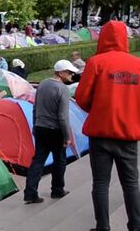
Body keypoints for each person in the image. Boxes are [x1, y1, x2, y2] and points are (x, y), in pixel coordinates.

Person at [76, 21, 140, 231]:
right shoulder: (137, 64)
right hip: (128, 134)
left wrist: (99, 109)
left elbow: (82, 97)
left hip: (100, 133)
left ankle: (103, 226)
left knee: (101, 184)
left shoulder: (96, 62)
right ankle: (135, 225)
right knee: (131, 183)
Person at [24, 59, 79, 204]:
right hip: (56, 130)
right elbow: (63, 116)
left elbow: (35, 107)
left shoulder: (42, 84)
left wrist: (35, 125)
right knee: (60, 160)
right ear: (60, 73)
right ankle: (57, 190)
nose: (71, 75)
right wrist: (67, 136)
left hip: (41, 127)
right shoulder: (63, 89)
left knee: (38, 160)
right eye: (69, 72)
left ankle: (30, 193)